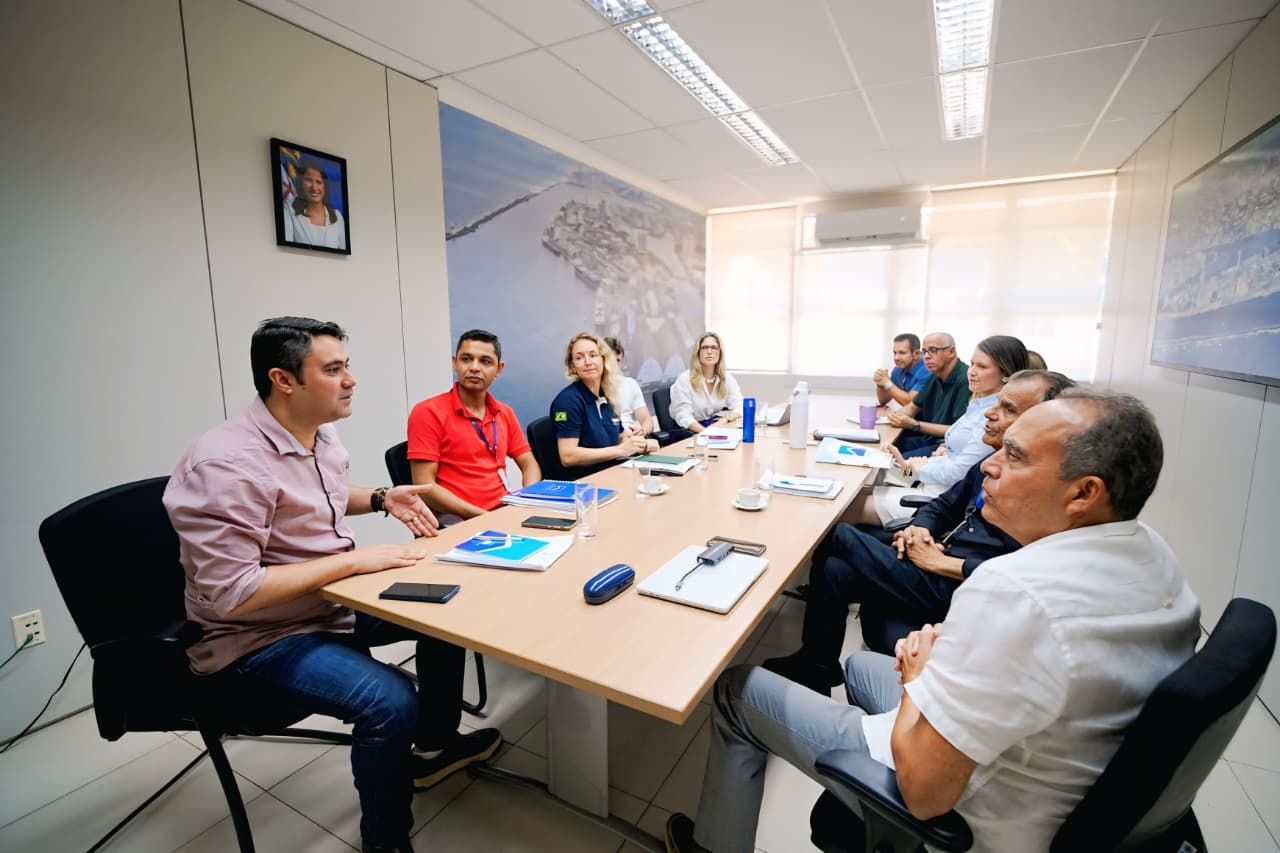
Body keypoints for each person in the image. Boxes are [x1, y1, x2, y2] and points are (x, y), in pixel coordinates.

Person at [665, 390, 1201, 853]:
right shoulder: (1154, 555)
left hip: (978, 805)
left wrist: (922, 680)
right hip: (1055, 761)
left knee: (736, 690)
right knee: (861, 665)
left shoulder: (1016, 591)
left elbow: (924, 793)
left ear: (1085, 493)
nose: (990, 463)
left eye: (1014, 456)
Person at [164, 317, 501, 853]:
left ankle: (435, 750)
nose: (352, 379)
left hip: (327, 603)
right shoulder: (226, 463)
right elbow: (234, 591)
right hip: (259, 636)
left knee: (447, 606)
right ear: (284, 380)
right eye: (335, 369)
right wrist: (352, 564)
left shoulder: (318, 432)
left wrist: (382, 498)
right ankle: (386, 841)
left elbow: (316, 496)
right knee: (390, 702)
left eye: (347, 366)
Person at [764, 370, 1076, 695]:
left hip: (949, 587)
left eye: (1009, 409)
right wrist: (919, 528)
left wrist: (947, 564)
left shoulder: (1045, 493)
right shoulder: (994, 459)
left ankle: (771, 597)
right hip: (934, 552)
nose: (989, 412)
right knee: (834, 569)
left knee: (834, 532)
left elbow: (1028, 573)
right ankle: (817, 667)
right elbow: (944, 505)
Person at [848, 335, 1029, 526]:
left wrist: (919, 468)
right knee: (864, 484)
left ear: (1006, 374)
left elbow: (958, 472)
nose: (972, 372)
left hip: (937, 499)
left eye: (982, 367)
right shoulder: (978, 404)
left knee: (851, 505)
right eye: (972, 364)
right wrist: (908, 466)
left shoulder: (992, 418)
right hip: (927, 482)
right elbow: (942, 464)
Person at [406, 329, 540, 520]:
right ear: (455, 363)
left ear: (499, 369)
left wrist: (528, 500)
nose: (475, 367)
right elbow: (425, 487)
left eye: (485, 361)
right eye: (467, 359)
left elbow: (529, 464)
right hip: (458, 518)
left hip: (504, 509)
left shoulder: (504, 412)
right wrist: (484, 517)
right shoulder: (427, 412)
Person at [551, 331, 657, 469]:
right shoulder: (567, 401)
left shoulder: (606, 395)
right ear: (572, 366)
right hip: (587, 480)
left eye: (593, 355)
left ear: (604, 359)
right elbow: (568, 456)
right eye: (579, 358)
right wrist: (620, 450)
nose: (588, 362)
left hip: (614, 468)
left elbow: (620, 436)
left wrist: (640, 445)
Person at [886, 332, 969, 457]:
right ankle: (897, 475)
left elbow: (957, 431)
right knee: (890, 449)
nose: (926, 356)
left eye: (933, 350)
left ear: (951, 351)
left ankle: (907, 475)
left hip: (947, 446)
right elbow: (913, 407)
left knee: (903, 463)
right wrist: (896, 417)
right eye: (924, 352)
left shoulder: (965, 380)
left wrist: (915, 425)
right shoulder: (936, 376)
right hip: (931, 438)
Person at [669, 332, 743, 433]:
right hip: (690, 432)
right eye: (704, 347)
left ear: (720, 353)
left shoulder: (726, 378)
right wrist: (707, 433)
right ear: (698, 352)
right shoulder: (684, 379)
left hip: (714, 427)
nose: (709, 351)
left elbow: (740, 406)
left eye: (714, 347)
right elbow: (683, 416)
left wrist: (726, 419)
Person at [282, 159, 347, 250]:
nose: (314, 187)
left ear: (325, 186)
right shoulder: (288, 209)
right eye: (308, 180)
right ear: (301, 183)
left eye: (319, 182)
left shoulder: (337, 216)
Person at [604, 335, 657, 435]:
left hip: (632, 438)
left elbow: (647, 420)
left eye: (618, 361)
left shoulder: (630, 384)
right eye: (610, 360)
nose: (614, 365)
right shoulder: (593, 387)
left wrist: (642, 431)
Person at [873, 333, 930, 407]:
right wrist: (881, 383)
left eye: (902, 353)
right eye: (895, 353)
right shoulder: (898, 369)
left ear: (916, 354)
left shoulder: (927, 370)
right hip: (908, 416)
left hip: (926, 417)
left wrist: (887, 382)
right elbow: (883, 400)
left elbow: (912, 403)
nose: (896, 358)